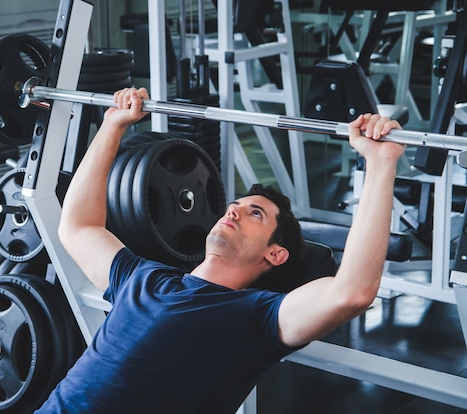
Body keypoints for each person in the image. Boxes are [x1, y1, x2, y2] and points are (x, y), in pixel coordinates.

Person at [35, 87, 405, 413]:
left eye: (254, 213)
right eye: (237, 204)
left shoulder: (256, 318)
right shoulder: (141, 276)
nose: (234, 209)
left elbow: (352, 293)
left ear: (275, 254)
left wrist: (380, 162)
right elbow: (78, 226)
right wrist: (113, 126)